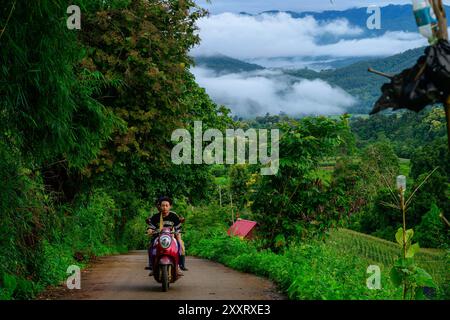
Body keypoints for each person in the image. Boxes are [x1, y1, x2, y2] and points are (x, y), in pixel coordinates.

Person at [145, 196, 188, 276]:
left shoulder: (174, 216)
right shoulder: (156, 217)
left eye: (166, 205)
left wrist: (177, 232)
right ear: (160, 206)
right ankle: (152, 265)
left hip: (172, 236)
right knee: (151, 246)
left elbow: (178, 226)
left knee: (180, 244)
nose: (164, 207)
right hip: (158, 236)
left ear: (170, 206)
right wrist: (150, 230)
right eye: (163, 205)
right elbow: (151, 227)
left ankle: (180, 265)